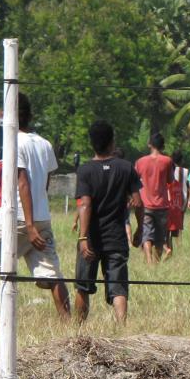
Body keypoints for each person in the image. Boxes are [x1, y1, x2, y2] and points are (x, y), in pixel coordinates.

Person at [0, 94, 70, 321]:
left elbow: (23, 182)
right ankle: (68, 323)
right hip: (41, 217)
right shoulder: (44, 143)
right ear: (30, 116)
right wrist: (36, 221)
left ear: (8, 116)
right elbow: (45, 183)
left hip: (20, 219)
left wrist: (29, 226)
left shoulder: (13, 141)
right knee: (52, 274)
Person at [73, 121, 142, 324]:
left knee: (83, 286)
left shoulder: (85, 171)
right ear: (112, 142)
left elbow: (85, 204)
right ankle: (121, 327)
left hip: (91, 239)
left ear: (92, 143)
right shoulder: (126, 168)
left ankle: (79, 329)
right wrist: (139, 229)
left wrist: (83, 237)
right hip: (117, 237)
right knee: (118, 286)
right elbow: (139, 202)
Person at [133, 133, 175, 264]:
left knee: (147, 235)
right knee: (160, 237)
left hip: (145, 204)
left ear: (149, 144)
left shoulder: (140, 161)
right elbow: (170, 180)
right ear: (162, 145)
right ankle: (156, 263)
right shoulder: (167, 161)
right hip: (162, 205)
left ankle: (149, 262)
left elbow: (134, 181)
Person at [166, 152, 188, 255]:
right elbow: (183, 196)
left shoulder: (166, 184)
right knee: (172, 233)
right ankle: (171, 250)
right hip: (177, 210)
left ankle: (167, 249)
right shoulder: (178, 184)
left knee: (166, 233)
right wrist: (183, 206)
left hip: (169, 210)